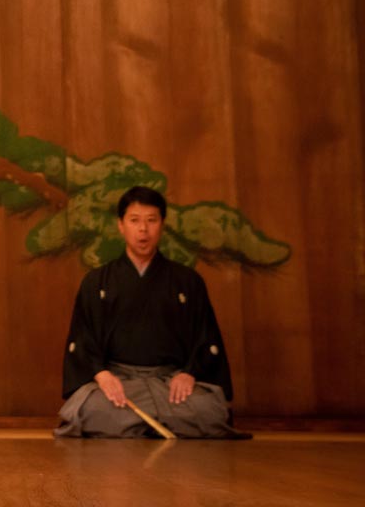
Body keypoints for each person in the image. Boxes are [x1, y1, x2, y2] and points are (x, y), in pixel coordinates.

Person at [55, 185, 247, 439]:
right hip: (120, 384)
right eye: (134, 220)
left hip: (170, 384)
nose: (143, 229)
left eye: (151, 221)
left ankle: (131, 425)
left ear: (162, 225)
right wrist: (102, 376)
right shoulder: (96, 281)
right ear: (121, 225)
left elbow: (206, 337)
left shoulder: (187, 281)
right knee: (90, 407)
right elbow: (82, 338)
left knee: (207, 409)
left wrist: (189, 373)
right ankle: (161, 422)